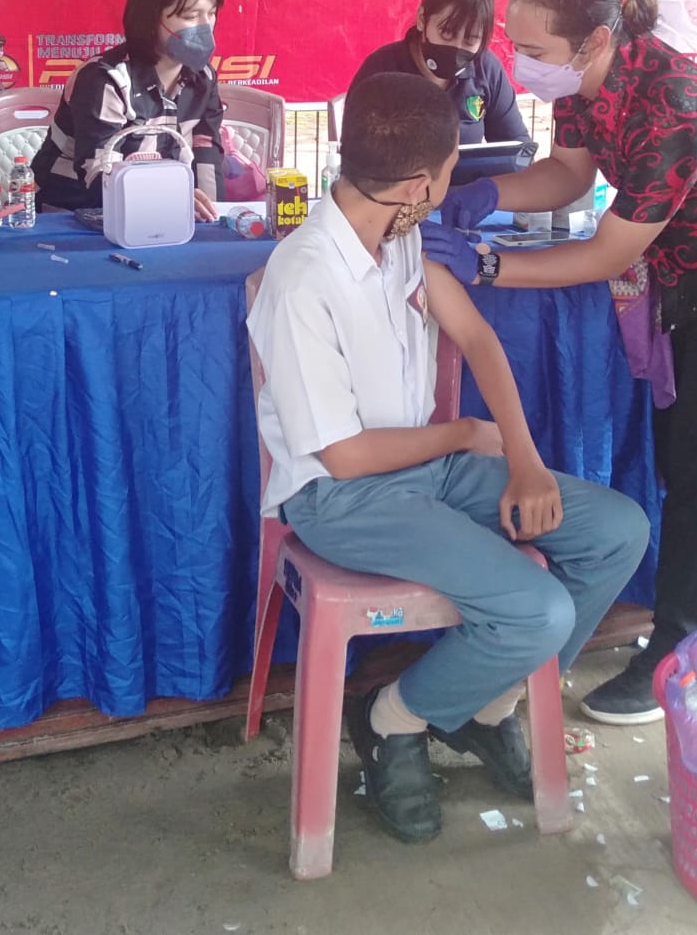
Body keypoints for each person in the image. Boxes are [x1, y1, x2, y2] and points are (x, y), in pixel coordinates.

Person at [249, 71, 649, 843]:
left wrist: (526, 464)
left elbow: (476, 337)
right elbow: (343, 455)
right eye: (448, 172)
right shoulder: (303, 278)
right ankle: (390, 719)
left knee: (615, 530)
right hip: (341, 497)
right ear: (419, 184)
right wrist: (465, 434)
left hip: (426, 473)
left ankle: (488, 706)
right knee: (537, 609)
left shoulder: (401, 236)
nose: (449, 187)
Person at [420, 0, 697, 727]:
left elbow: (606, 252)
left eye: (535, 50)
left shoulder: (671, 100)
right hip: (684, 281)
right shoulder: (585, 87)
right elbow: (567, 173)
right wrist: (485, 193)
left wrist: (488, 264)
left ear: (595, 39)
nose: (522, 64)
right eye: (517, 46)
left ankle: (679, 656)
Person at [33, 0, 225, 216]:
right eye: (191, 17)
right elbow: (98, 175)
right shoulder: (104, 79)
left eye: (211, 14)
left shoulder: (203, 77)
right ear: (152, 17)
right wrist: (170, 197)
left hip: (156, 212)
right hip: (70, 213)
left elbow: (205, 149)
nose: (205, 27)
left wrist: (214, 213)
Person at [348, 0, 532, 175]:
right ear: (422, 19)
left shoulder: (486, 70)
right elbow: (356, 158)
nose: (456, 47)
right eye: (446, 34)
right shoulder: (380, 71)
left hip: (468, 191)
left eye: (470, 40)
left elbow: (517, 150)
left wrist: (488, 189)